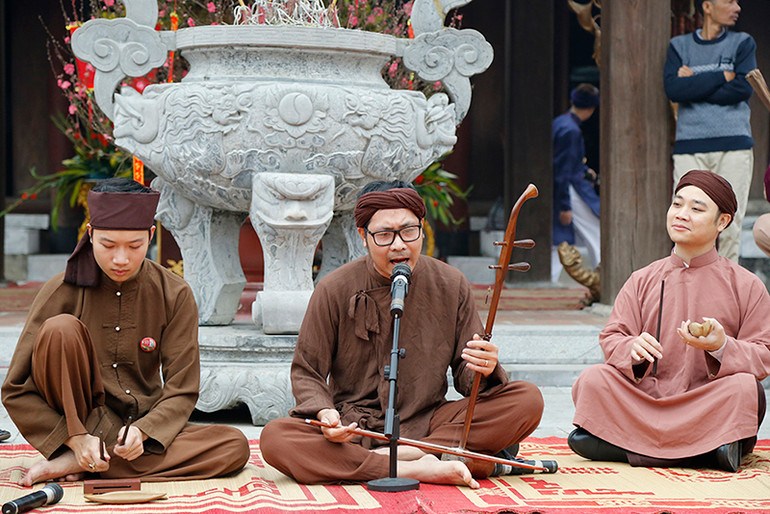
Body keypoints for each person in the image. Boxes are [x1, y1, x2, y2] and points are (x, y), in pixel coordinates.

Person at [260, 180, 544, 488]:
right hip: (355, 428)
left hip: (428, 421)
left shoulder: (451, 284)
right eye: (384, 235)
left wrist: (484, 367)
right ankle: (422, 466)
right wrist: (326, 414)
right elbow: (308, 371)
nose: (399, 245)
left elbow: (467, 378)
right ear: (363, 237)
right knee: (276, 438)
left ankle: (404, 455)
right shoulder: (334, 288)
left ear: (422, 229)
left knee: (527, 400)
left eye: (409, 231)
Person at [1, 178, 250, 487]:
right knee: (60, 329)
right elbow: (16, 389)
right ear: (90, 235)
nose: (121, 259)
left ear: (151, 236)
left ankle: (84, 462)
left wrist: (145, 430)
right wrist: (74, 437)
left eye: (134, 246)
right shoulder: (61, 290)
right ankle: (84, 452)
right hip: (79, 425)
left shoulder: (174, 293)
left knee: (233, 446)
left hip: (138, 430)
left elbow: (182, 389)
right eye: (108, 245)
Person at [569, 169, 770, 472]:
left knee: (744, 388)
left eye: (696, 209)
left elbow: (764, 354)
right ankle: (708, 452)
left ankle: (620, 446)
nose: (681, 214)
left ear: (722, 222)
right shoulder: (642, 279)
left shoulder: (746, 284)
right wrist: (631, 348)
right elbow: (612, 336)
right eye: (677, 204)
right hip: (646, 399)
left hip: (706, 401)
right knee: (593, 379)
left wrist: (722, 347)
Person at [664, 0, 756, 262]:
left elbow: (743, 88)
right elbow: (674, 90)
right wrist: (722, 76)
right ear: (707, 6)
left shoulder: (743, 43)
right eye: (729, 1)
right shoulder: (679, 46)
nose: (737, 7)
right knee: (686, 221)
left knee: (730, 224)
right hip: (690, 147)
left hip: (734, 145)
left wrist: (693, 83)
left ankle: (725, 283)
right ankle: (686, 281)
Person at [552, 83, 601, 282]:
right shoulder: (571, 131)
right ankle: (604, 279)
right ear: (591, 109)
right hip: (572, 190)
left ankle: (552, 279)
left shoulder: (560, 122)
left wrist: (583, 169)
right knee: (597, 232)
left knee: (559, 241)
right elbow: (563, 171)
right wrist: (564, 205)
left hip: (566, 187)